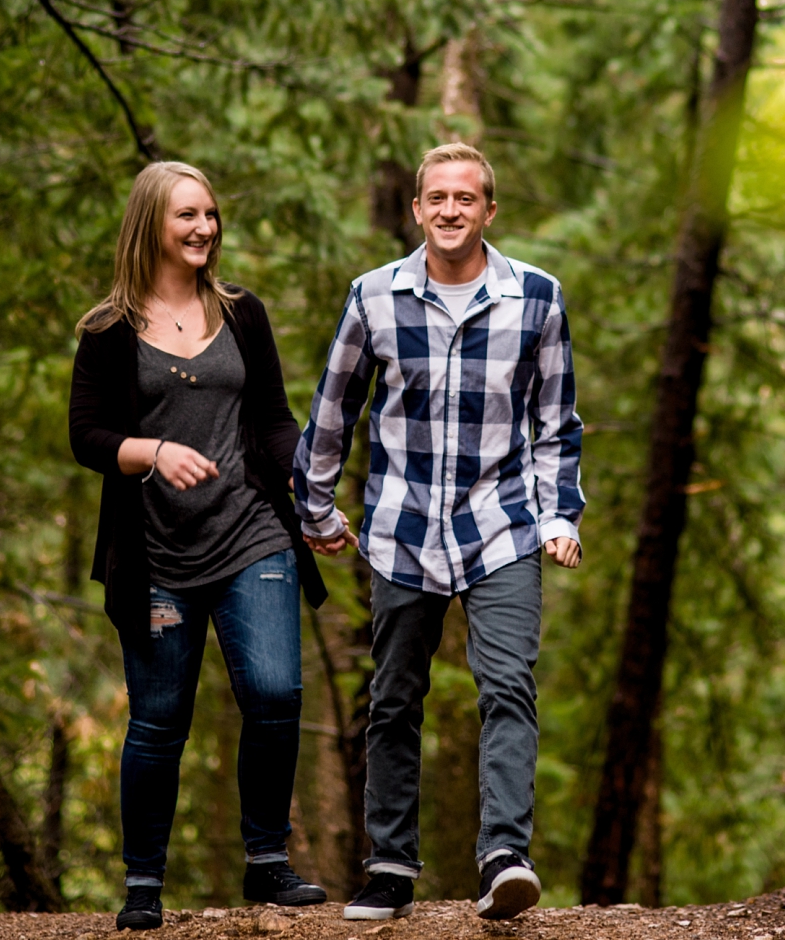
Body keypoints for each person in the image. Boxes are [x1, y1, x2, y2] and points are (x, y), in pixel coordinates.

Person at [294, 141, 585, 922]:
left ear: (489, 210)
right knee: (393, 697)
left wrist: (560, 514)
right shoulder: (373, 297)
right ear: (417, 209)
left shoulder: (537, 297)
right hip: (404, 525)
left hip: (504, 523)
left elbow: (558, 424)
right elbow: (334, 409)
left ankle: (504, 857)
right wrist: (315, 508)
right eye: (438, 198)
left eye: (467, 197)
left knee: (508, 685)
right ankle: (388, 867)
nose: (451, 209)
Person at [69, 161, 331, 930]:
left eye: (211, 214)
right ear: (151, 222)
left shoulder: (242, 313)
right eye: (187, 214)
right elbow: (86, 436)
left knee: (278, 693)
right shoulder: (109, 331)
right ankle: (143, 880)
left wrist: (311, 494)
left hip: (252, 531)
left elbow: (276, 419)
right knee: (158, 717)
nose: (204, 228)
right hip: (155, 555)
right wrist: (150, 450)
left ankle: (267, 861)